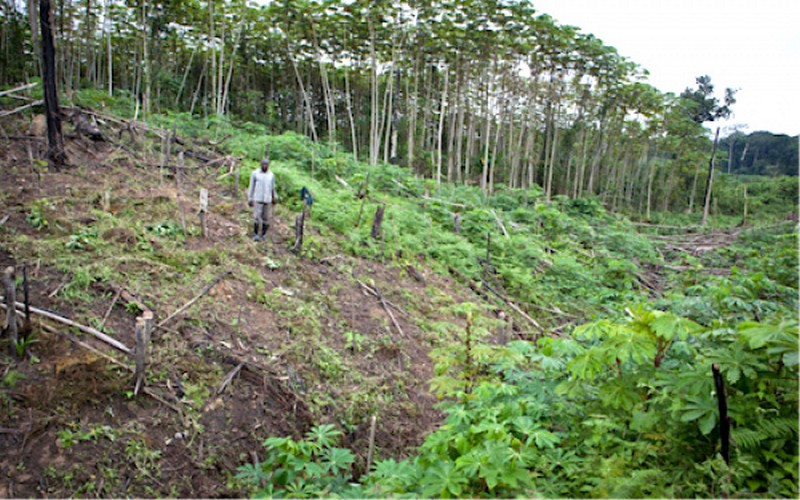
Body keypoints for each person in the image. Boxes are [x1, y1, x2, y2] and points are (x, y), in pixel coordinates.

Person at [248, 158, 278, 241]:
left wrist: (274, 197)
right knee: (256, 217)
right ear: (260, 164)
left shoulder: (271, 175)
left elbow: (272, 187)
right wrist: (250, 198)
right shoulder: (255, 173)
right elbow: (251, 186)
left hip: (267, 199)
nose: (265, 166)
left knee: (266, 218)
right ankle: (256, 234)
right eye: (263, 164)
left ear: (268, 165)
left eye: (266, 165)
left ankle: (264, 234)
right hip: (257, 198)